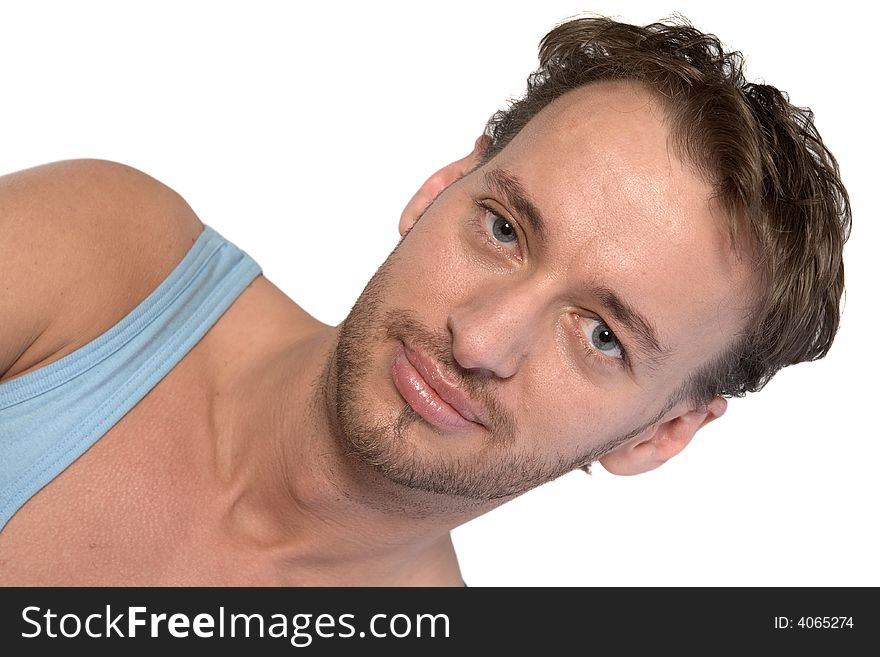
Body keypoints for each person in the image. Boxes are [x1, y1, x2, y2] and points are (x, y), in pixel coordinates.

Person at [0, 14, 850, 585]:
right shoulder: (107, 271)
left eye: (599, 336)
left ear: (658, 434)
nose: (480, 338)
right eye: (505, 228)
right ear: (441, 188)